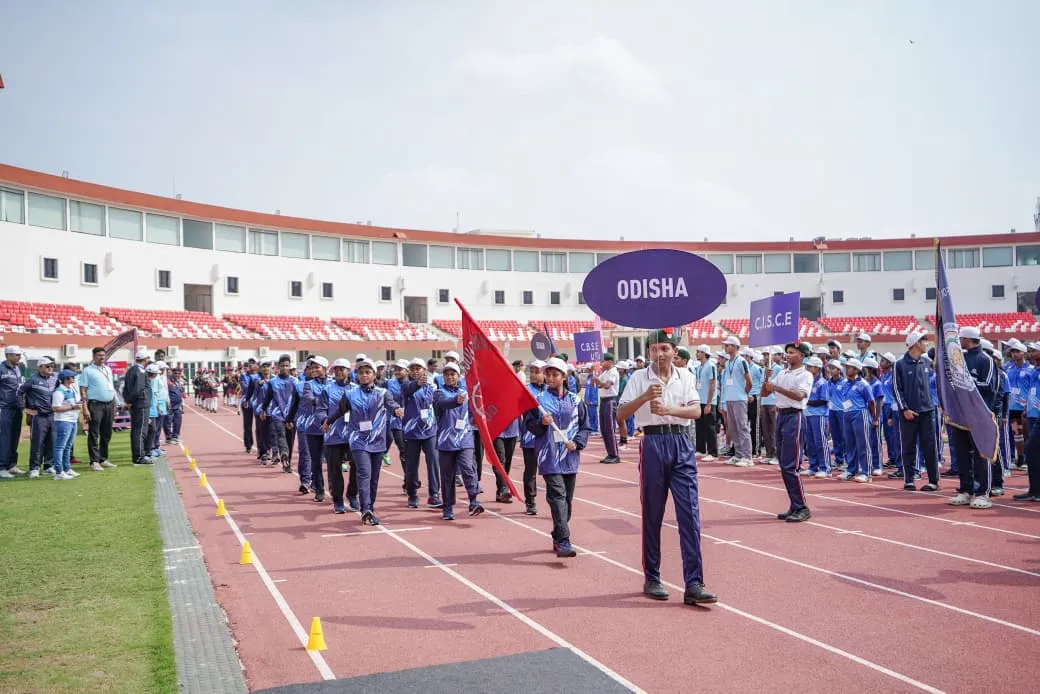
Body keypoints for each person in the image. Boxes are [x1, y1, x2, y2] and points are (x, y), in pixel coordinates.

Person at [617, 329, 717, 605]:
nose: (659, 354)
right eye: (654, 349)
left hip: (681, 443)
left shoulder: (685, 376)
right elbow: (621, 413)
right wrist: (645, 397)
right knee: (653, 513)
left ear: (674, 351)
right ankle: (652, 577)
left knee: (689, 513)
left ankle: (694, 583)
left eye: (664, 349)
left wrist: (669, 410)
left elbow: (695, 411)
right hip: (652, 443)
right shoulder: (639, 377)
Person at [324, 358, 403, 525]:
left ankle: (370, 508)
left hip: (378, 440)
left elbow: (391, 404)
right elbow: (340, 410)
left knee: (374, 478)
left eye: (368, 372)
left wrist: (396, 409)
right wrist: (328, 422)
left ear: (374, 375)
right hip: (358, 440)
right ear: (357, 375)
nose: (364, 375)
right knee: (364, 473)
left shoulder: (382, 393)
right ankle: (365, 508)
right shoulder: (350, 394)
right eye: (361, 373)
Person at [523, 357, 589, 558]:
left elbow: (584, 427)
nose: (550, 378)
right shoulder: (538, 401)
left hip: (570, 457)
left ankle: (558, 533)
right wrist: (542, 423)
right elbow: (530, 425)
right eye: (548, 374)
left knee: (567, 500)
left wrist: (577, 442)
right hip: (549, 456)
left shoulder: (576, 401)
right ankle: (564, 541)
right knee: (557, 496)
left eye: (555, 374)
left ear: (564, 376)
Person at [761, 342, 814, 521]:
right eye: (787, 352)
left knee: (791, 465)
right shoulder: (782, 373)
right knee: (784, 465)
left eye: (792, 352)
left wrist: (775, 387)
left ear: (802, 356)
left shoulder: (805, 375)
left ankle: (802, 507)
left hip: (794, 416)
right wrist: (767, 380)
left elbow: (799, 395)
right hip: (781, 416)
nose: (788, 355)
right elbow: (764, 394)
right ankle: (794, 504)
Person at [947, 327, 998, 509]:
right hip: (961, 415)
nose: (959, 342)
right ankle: (966, 490)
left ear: (968, 339)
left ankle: (983, 493)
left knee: (981, 454)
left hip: (980, 415)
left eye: (961, 339)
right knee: (962, 453)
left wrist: (967, 382)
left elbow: (990, 386)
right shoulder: (960, 359)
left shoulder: (986, 359)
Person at [432, 362, 483, 521]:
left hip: (464, 438)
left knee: (468, 467)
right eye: (446, 374)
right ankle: (448, 507)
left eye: (453, 374)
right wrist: (457, 400)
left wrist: (474, 418)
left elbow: (473, 410)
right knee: (447, 476)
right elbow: (445, 403)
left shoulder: (466, 392)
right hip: (446, 440)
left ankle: (473, 501)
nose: (449, 377)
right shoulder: (439, 393)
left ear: (459, 376)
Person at [519, 361, 546, 515]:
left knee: (551, 470)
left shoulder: (550, 390)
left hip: (548, 438)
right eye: (532, 372)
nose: (534, 375)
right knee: (530, 470)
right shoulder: (526, 390)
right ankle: (530, 500)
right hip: (530, 438)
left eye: (537, 372)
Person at [122, 348, 153, 466]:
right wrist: (130, 401)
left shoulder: (131, 370)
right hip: (141, 403)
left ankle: (137, 456)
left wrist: (127, 400)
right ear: (145, 359)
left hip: (136, 403)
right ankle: (139, 456)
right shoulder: (141, 371)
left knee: (136, 430)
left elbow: (125, 388)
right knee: (140, 431)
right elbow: (138, 388)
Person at [0, 345, 26, 478]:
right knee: (4, 438)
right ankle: (1, 467)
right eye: (17, 355)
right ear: (8, 355)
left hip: (17, 408)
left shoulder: (18, 368)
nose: (19, 357)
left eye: (19, 355)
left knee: (15, 437)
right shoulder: (1, 369)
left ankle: (11, 465)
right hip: (4, 408)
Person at [51, 369, 82, 480]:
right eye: (72, 377)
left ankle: (67, 468)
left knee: (68, 446)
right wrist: (73, 407)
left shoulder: (70, 389)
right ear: (66, 379)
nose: (74, 378)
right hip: (64, 421)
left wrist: (77, 404)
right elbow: (56, 408)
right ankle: (59, 472)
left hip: (72, 420)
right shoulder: (59, 391)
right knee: (60, 446)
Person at [595, 353, 621, 464]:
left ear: (610, 362)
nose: (601, 363)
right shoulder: (605, 372)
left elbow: (607, 385)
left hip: (610, 401)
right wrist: (595, 378)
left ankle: (614, 454)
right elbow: (598, 384)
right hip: (603, 401)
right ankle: (610, 453)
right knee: (604, 429)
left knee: (609, 428)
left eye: (603, 361)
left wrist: (598, 381)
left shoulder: (613, 372)